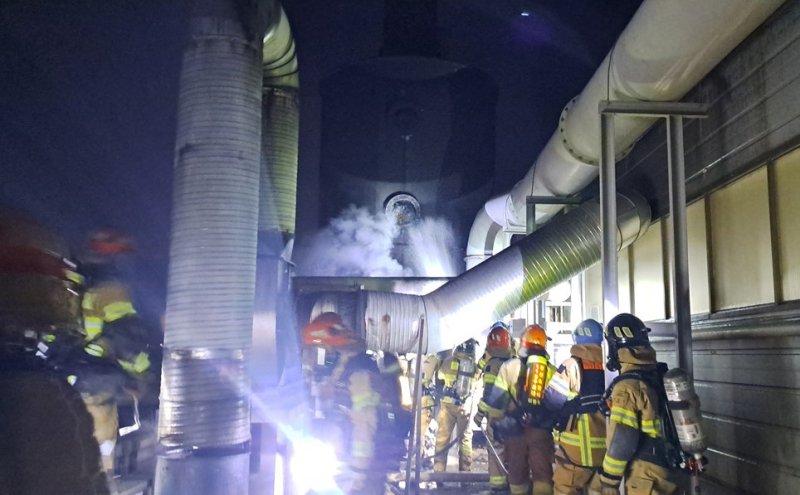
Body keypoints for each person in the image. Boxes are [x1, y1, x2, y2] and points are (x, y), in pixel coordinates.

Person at [72, 229, 154, 478]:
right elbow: (125, 336)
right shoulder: (110, 290)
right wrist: (141, 373)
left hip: (73, 374)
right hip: (98, 379)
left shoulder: (78, 285)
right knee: (100, 444)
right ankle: (102, 482)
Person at [300, 312, 402, 494]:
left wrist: (359, 473)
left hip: (362, 468)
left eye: (320, 350)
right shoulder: (345, 365)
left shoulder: (359, 371)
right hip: (348, 464)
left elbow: (365, 422)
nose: (314, 359)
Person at [598, 313, 680, 495]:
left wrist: (609, 480)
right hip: (668, 467)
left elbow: (623, 438)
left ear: (616, 345)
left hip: (646, 475)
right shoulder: (657, 374)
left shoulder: (627, 386)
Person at [482, 324, 557, 495]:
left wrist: (497, 423)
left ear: (523, 343)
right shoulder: (551, 370)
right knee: (542, 474)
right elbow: (557, 405)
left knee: (517, 473)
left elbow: (496, 403)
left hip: (514, 430)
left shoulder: (509, 367)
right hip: (541, 431)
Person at [542, 319, 606, 495]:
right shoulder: (609, 366)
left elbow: (552, 400)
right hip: (606, 453)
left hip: (576, 452)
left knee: (564, 489)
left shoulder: (572, 365)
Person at [474, 321, 515, 493]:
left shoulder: (493, 366)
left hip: (496, 417)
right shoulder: (514, 363)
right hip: (513, 415)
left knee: (496, 450)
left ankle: (498, 488)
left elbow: (490, 396)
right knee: (512, 450)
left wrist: (479, 414)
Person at [433, 338, 479, 473]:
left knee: (442, 439)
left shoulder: (448, 362)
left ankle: (438, 472)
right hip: (465, 407)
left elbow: (440, 377)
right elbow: (478, 382)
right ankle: (465, 472)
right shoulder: (473, 366)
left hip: (447, 406)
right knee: (465, 440)